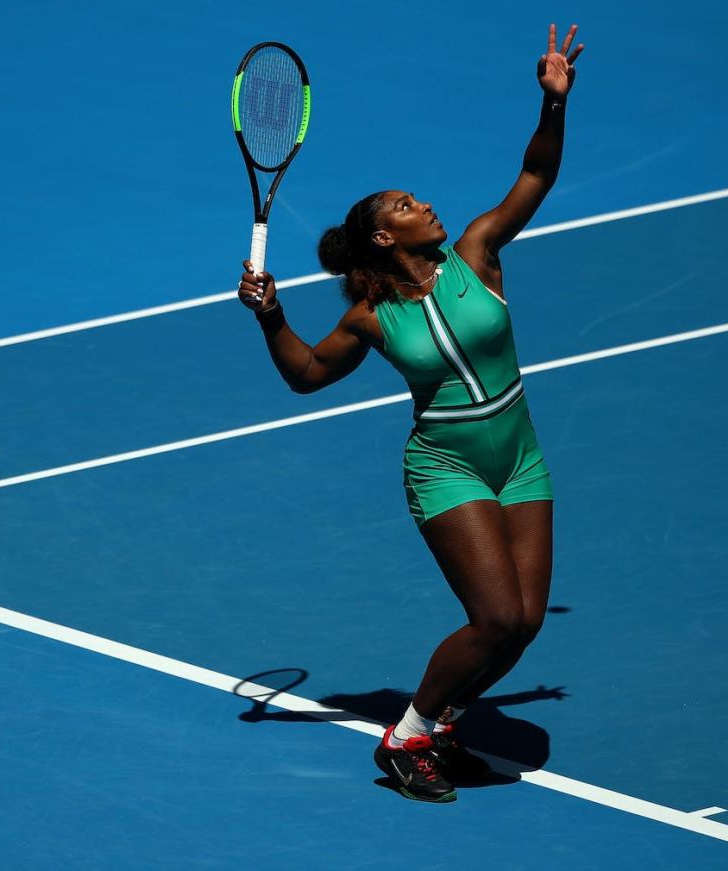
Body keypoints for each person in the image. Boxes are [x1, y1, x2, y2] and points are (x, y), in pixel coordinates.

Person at [236, 24, 585, 802]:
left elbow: (535, 171)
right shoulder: (370, 316)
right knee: (493, 616)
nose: (425, 201)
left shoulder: (480, 251)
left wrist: (553, 103)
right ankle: (407, 736)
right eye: (406, 203)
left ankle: (443, 724)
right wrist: (271, 318)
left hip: (518, 453)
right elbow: (307, 374)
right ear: (386, 235)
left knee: (524, 623)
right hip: (447, 465)